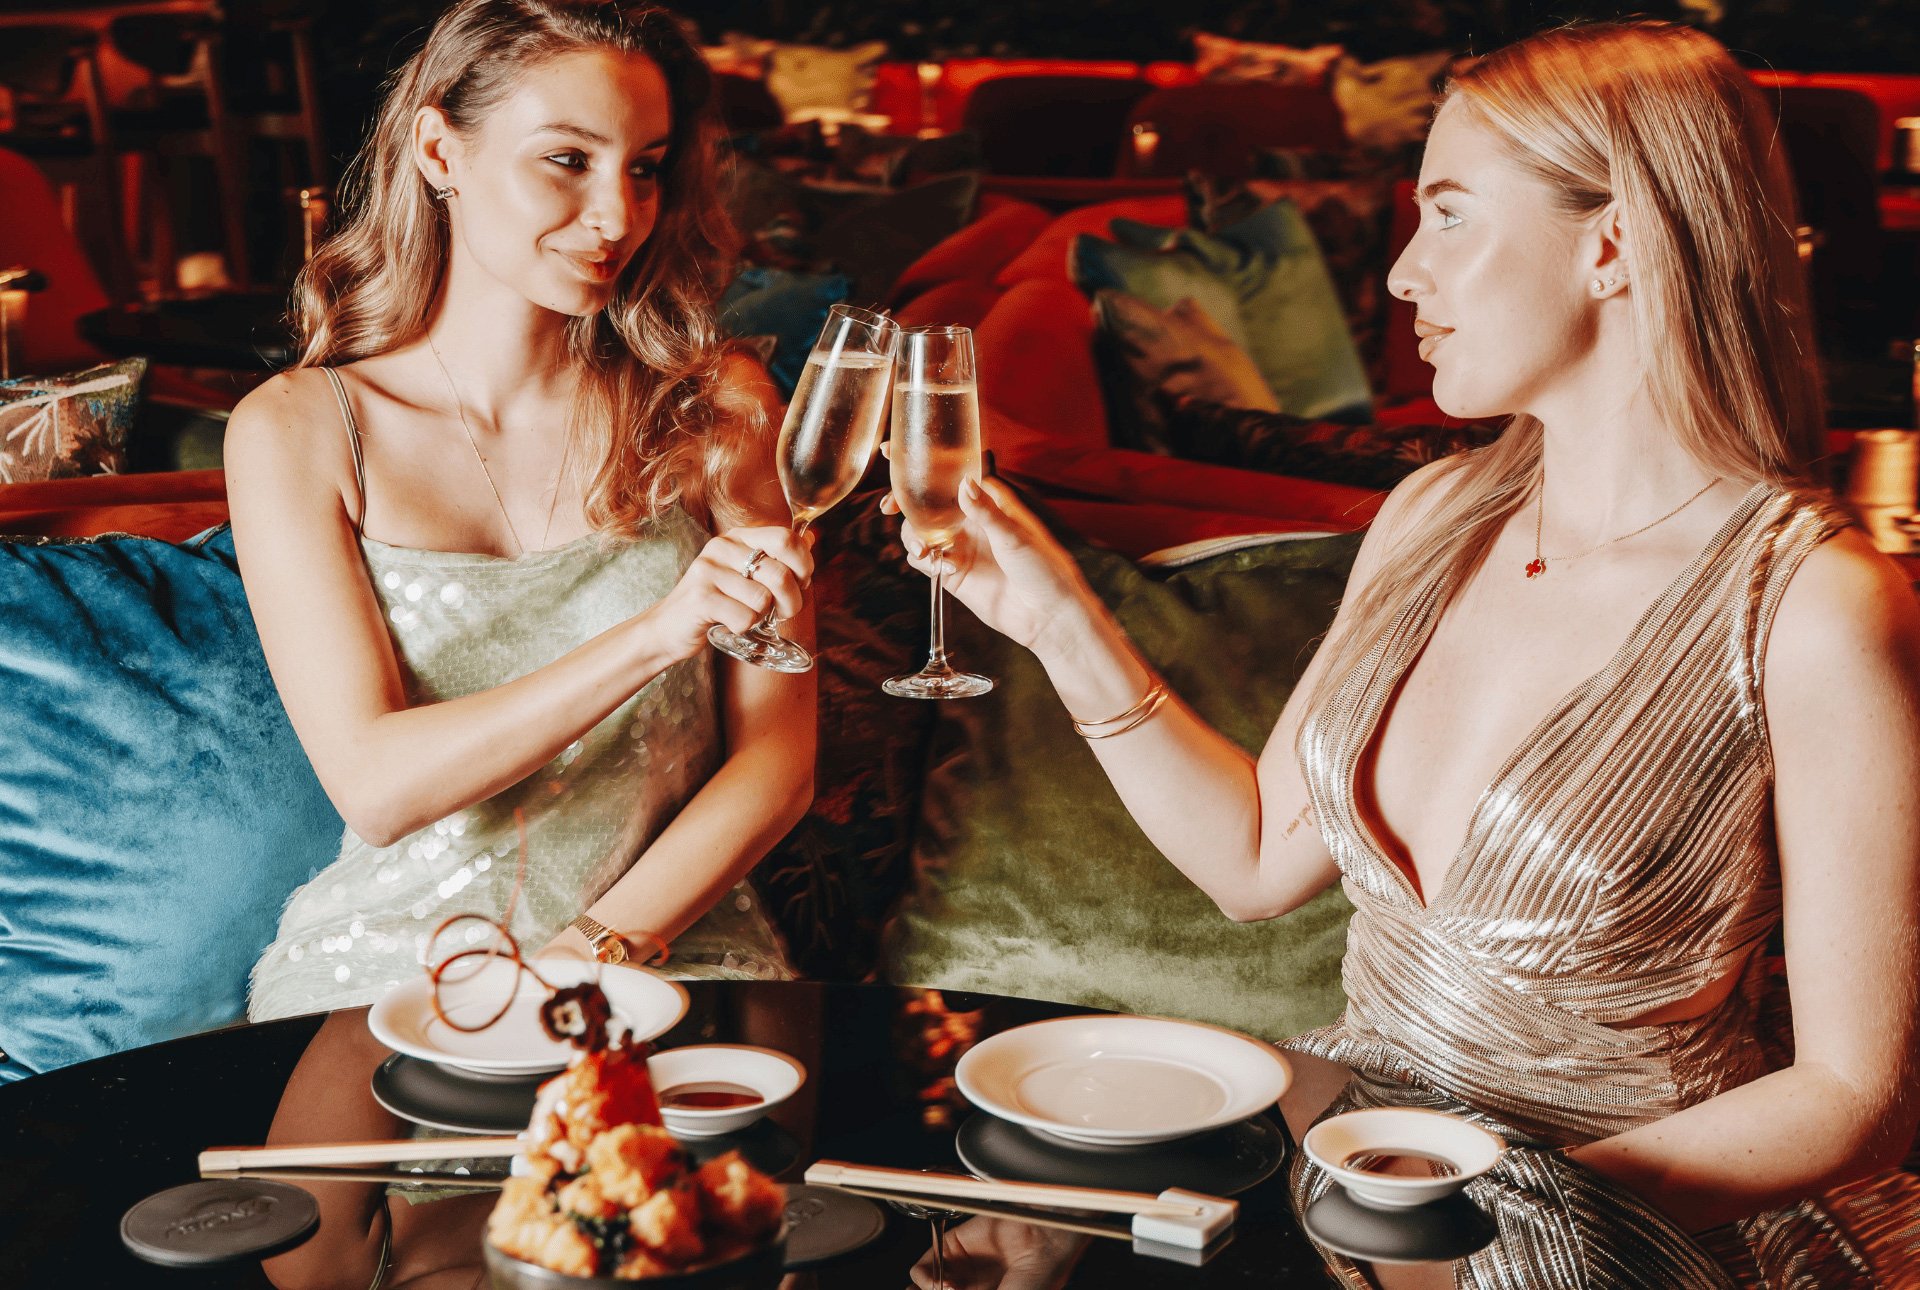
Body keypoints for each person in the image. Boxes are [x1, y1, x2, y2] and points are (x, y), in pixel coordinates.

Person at [895, 21, 1920, 1288]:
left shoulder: (1813, 603)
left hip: (1640, 1230)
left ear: (1613, 243)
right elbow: (1256, 863)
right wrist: (1056, 618)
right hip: (1361, 1202)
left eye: (1446, 218)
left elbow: (1855, 1094)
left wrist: (1487, 1217)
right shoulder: (1434, 517)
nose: (1398, 278)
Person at [226, 0, 813, 1024]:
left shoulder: (716, 405)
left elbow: (777, 765)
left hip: (671, 951)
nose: (618, 216)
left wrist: (594, 957)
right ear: (439, 148)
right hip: (388, 968)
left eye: (645, 166)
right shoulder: (300, 428)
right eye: (567, 160)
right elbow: (377, 787)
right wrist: (654, 637)